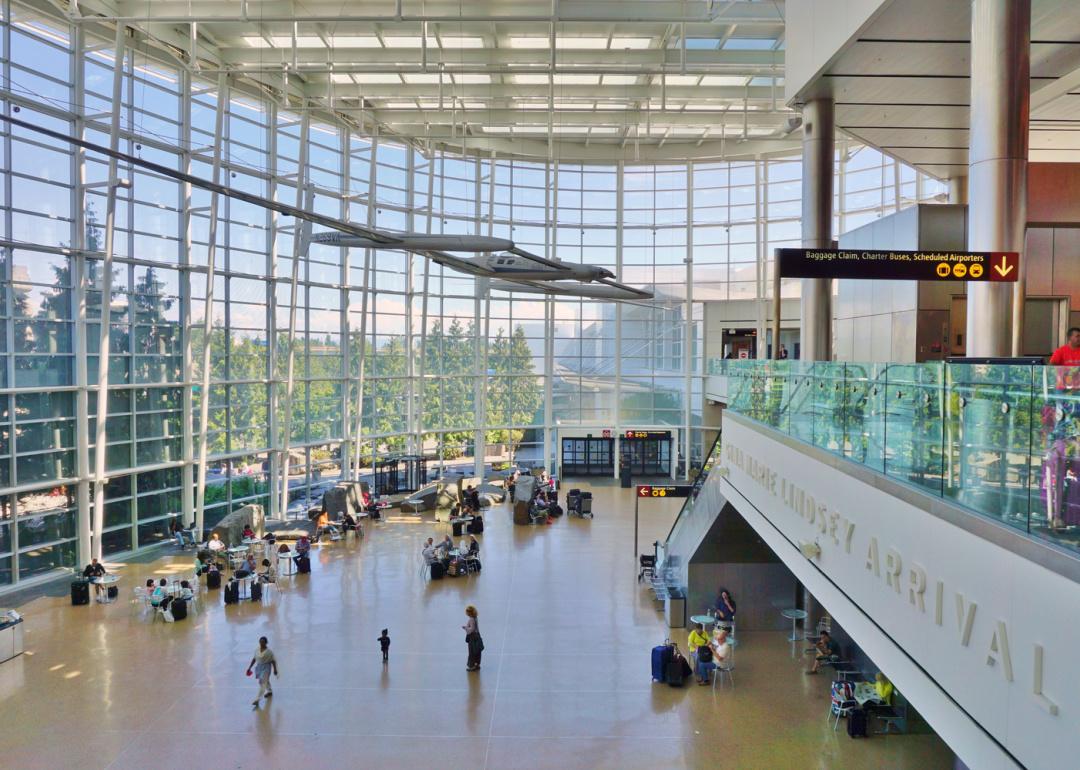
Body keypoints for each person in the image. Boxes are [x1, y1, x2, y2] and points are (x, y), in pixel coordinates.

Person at [246, 636, 278, 708]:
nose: (261, 643)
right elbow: (254, 659)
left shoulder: (269, 652)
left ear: (266, 643)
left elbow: (273, 661)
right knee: (264, 681)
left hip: (266, 668)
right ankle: (269, 691)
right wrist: (249, 667)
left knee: (263, 682)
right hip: (259, 668)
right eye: (260, 642)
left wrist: (275, 670)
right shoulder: (257, 650)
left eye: (263, 642)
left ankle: (257, 699)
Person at [463, 605, 483, 671]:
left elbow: (471, 629)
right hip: (477, 635)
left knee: (472, 651)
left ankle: (472, 666)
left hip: (473, 637)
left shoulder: (471, 619)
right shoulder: (475, 618)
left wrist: (465, 628)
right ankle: (477, 664)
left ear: (469, 613)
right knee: (477, 651)